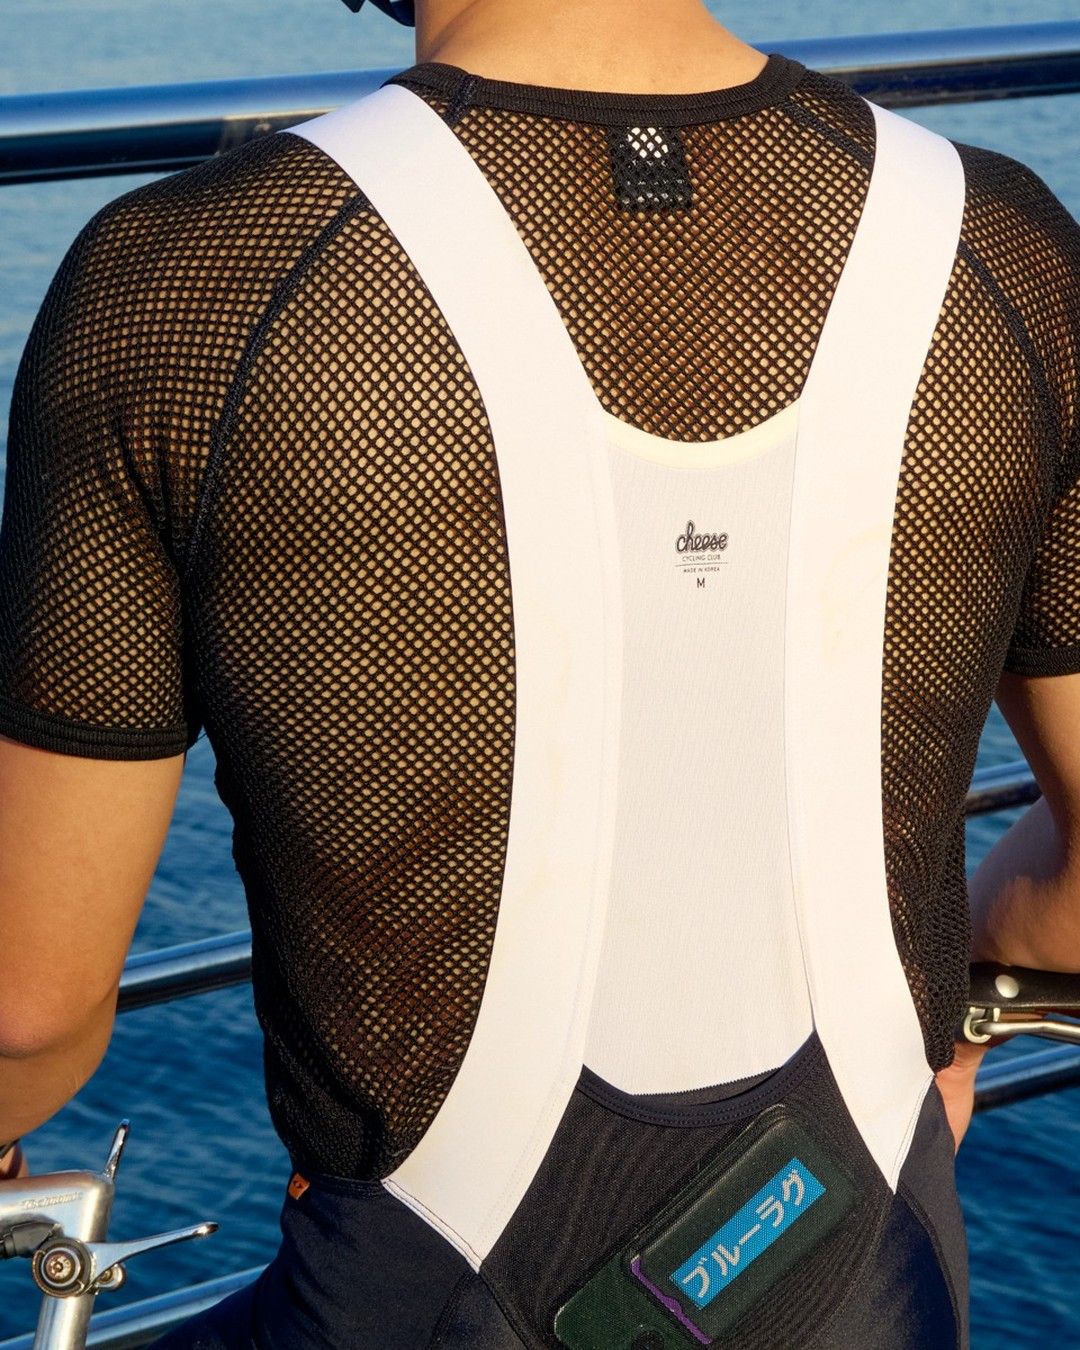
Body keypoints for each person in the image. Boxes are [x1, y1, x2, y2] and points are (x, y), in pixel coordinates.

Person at [1, 0, 1079, 1345]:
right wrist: (945, 1015)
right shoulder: (1000, 241)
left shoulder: (187, 278)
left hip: (416, 1296)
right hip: (864, 1254)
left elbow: (30, 1009)